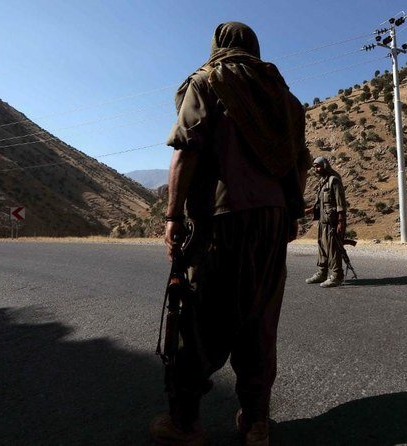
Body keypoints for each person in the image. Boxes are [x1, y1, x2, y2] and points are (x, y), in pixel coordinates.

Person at [150, 22, 310, 446]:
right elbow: (300, 163)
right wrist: (291, 211)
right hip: (274, 220)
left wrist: (173, 215)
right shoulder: (285, 99)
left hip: (223, 217)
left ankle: (184, 424)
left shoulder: (207, 81)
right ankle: (256, 423)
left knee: (201, 317)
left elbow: (186, 149)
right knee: (260, 316)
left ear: (217, 46)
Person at [305, 156, 348, 288]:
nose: (317, 169)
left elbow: (341, 204)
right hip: (323, 221)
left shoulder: (333, 181)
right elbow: (322, 202)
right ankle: (322, 273)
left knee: (333, 249)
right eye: (315, 167)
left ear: (325, 165)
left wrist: (340, 222)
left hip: (333, 222)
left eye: (318, 166)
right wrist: (312, 209)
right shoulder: (322, 182)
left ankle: (336, 276)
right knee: (322, 247)